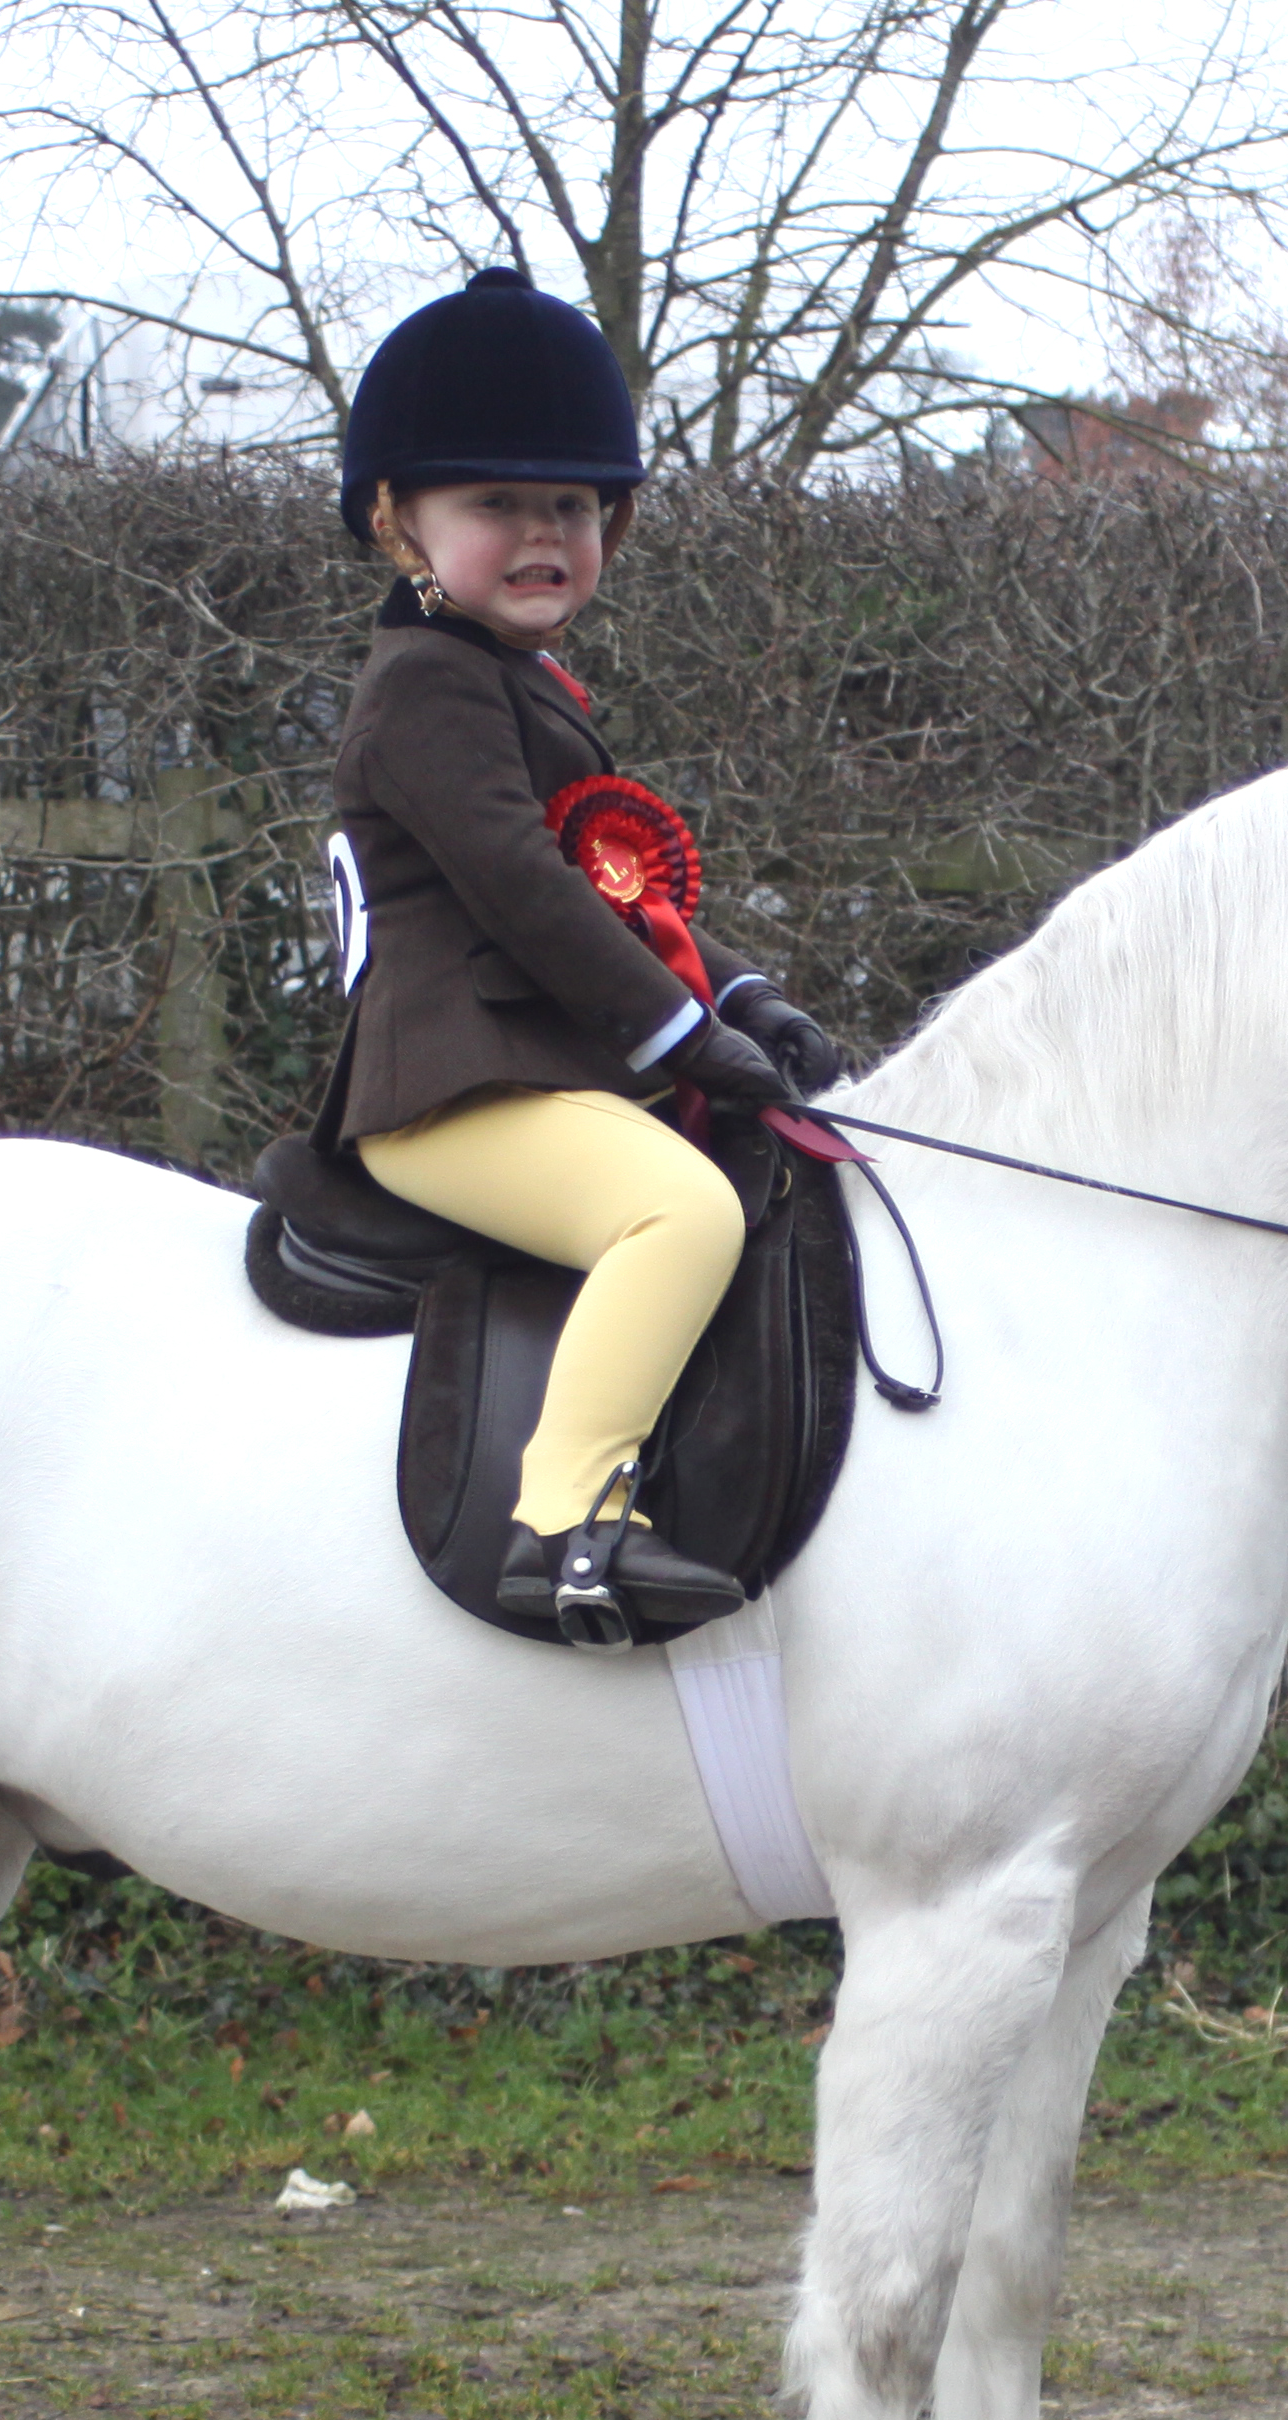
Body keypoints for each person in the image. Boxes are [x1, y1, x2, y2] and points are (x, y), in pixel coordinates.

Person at [319, 267, 849, 1640]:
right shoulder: (426, 690)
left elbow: (620, 895)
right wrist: (678, 1039)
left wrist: (740, 993)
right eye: (497, 503)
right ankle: (569, 1519)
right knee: (683, 1214)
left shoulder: (513, 684)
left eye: (572, 506)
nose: (546, 532)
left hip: (528, 1073)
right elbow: (529, 893)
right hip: (449, 1093)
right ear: (398, 522)